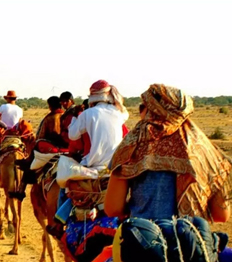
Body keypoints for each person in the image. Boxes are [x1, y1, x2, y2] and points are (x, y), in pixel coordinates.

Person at [105, 84, 232, 261]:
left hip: (143, 246)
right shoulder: (206, 150)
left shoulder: (132, 145)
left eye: (143, 107)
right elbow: (221, 215)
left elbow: (112, 208)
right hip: (194, 247)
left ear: (151, 110)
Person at [47, 79, 129, 238]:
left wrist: (76, 120)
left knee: (64, 185)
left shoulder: (86, 114)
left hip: (93, 169)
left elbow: (72, 136)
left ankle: (58, 222)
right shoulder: (119, 114)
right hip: (116, 170)